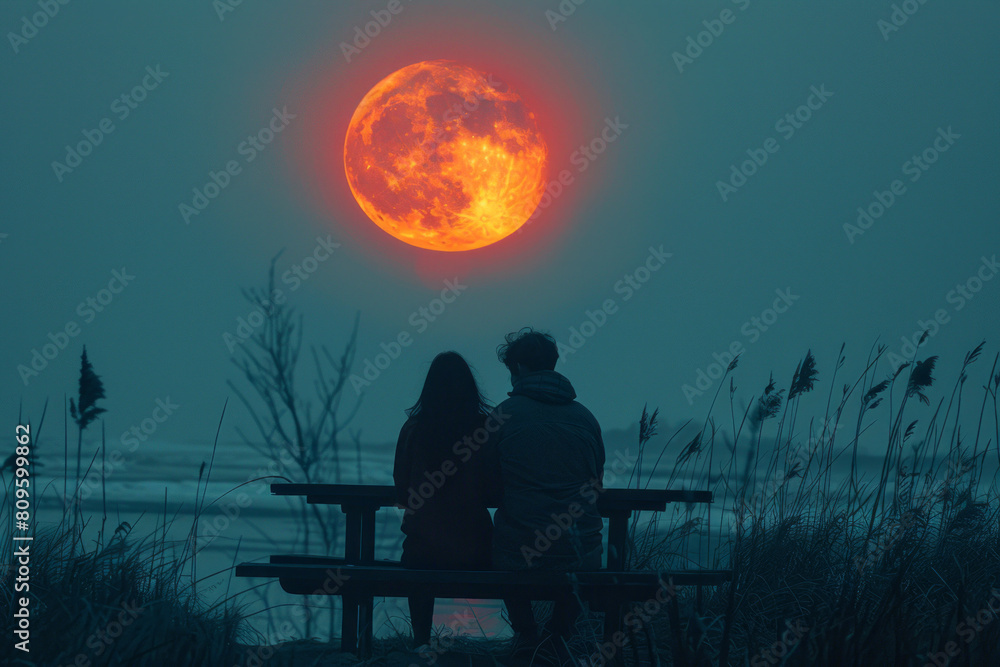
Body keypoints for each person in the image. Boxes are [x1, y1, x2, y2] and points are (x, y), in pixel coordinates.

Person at [485, 328, 606, 648]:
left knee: (508, 542)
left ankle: (526, 633)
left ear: (519, 369)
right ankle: (559, 633)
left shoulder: (503, 415)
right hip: (582, 552)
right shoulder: (586, 418)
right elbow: (598, 482)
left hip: (520, 552)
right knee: (580, 553)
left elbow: (485, 482)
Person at [392, 351, 499, 647]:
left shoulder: (414, 428)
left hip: (421, 553)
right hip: (476, 551)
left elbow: (402, 491)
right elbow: (495, 489)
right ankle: (528, 638)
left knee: (420, 557)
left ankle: (421, 640)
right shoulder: (485, 428)